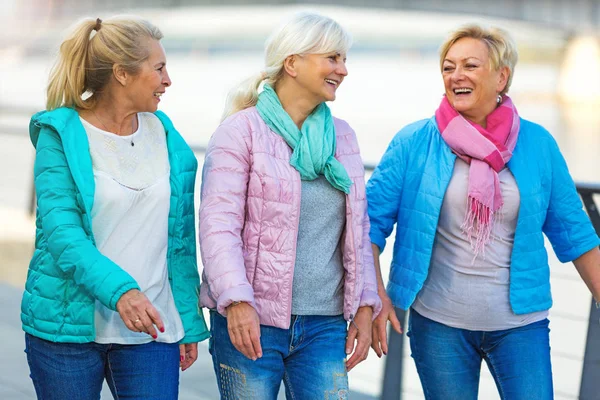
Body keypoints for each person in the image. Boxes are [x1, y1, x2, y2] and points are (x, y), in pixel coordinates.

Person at [367, 24, 600, 399]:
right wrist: (374, 296)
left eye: (470, 66)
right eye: (448, 66)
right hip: (439, 326)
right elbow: (369, 225)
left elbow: (575, 232)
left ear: (501, 76)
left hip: (521, 327)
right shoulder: (414, 142)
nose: (456, 75)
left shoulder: (537, 143)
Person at [21, 16, 209, 399]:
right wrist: (122, 292)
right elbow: (62, 234)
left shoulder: (165, 133)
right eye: (158, 69)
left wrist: (186, 320)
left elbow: (180, 240)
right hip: (66, 329)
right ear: (123, 74)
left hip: (152, 330)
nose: (168, 79)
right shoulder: (61, 135)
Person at [198, 12, 382, 400]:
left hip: (325, 325)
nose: (343, 69)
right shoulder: (239, 132)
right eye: (332, 58)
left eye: (344, 59)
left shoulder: (343, 137)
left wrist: (366, 305)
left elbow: (358, 230)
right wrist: (236, 301)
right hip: (251, 322)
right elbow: (218, 228)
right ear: (292, 62)